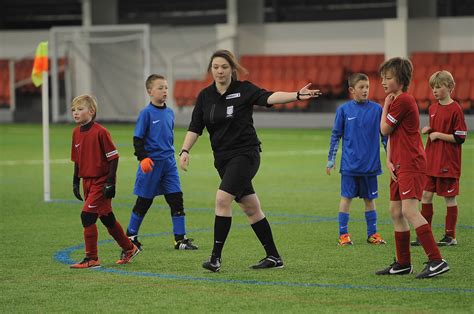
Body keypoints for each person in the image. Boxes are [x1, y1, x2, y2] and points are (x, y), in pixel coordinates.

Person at [179, 49, 322, 272]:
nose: (219, 71)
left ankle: (215, 259)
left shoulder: (243, 89)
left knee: (222, 200)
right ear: (211, 70)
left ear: (232, 69)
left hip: (246, 155)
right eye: (215, 67)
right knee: (251, 208)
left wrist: (296, 95)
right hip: (223, 160)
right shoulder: (205, 96)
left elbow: (268, 97)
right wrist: (185, 150)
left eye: (224, 67)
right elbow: (195, 126)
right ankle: (274, 257)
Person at [376, 57, 449, 279]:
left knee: (409, 210)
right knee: (395, 211)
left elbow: (385, 129)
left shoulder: (403, 101)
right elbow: (391, 138)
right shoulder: (399, 100)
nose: (383, 82)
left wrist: (385, 105)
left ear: (401, 79)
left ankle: (437, 260)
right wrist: (388, 160)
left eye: (388, 78)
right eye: (382, 78)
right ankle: (403, 263)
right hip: (398, 164)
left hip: (411, 164)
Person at [126, 74, 198, 251]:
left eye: (166, 87)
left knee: (176, 199)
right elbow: (137, 139)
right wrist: (143, 158)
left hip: (169, 164)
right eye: (160, 88)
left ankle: (180, 239)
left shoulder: (170, 112)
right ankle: (130, 236)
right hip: (151, 165)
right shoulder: (146, 113)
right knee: (144, 201)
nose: (165, 91)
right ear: (150, 91)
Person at [70, 94, 140, 268]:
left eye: (80, 109)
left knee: (87, 216)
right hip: (87, 181)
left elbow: (113, 158)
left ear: (91, 111)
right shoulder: (76, 133)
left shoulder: (101, 132)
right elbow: (77, 160)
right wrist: (75, 181)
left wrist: (110, 182)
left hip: (101, 182)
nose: (75, 113)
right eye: (73, 110)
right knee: (107, 218)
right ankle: (129, 248)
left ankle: (92, 259)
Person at [326, 73, 387, 246]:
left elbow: (385, 137)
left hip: (370, 166)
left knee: (370, 200)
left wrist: (391, 154)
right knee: (346, 198)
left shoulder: (377, 110)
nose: (365, 90)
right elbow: (335, 135)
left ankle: (372, 234)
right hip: (350, 166)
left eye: (367, 87)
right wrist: (331, 159)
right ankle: (343, 235)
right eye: (361, 87)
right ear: (352, 90)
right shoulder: (344, 110)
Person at [411, 70, 467, 247]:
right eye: (432, 88)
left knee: (449, 198)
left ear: (450, 87)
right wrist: (429, 129)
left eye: (438, 87)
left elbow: (460, 137)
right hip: (431, 161)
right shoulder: (432, 108)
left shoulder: (456, 109)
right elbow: (435, 131)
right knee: (426, 196)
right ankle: (424, 236)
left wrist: (438, 135)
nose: (434, 91)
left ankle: (450, 236)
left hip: (448, 162)